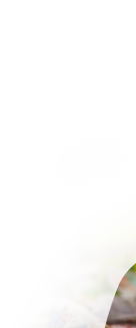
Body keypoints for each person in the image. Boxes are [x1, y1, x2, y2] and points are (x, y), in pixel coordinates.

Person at [21, 9, 136, 278]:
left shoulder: (102, 108)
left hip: (112, 280)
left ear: (121, 46)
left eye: (102, 50)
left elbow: (64, 198)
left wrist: (28, 221)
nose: (101, 61)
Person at [0, 50, 74, 216]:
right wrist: (12, 156)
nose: (20, 100)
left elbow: (51, 200)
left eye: (28, 90)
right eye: (19, 91)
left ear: (58, 90)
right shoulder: (50, 128)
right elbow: (40, 175)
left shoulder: (67, 130)